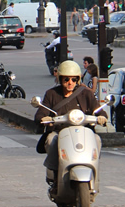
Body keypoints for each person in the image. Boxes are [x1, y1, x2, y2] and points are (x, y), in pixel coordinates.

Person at [35, 60, 107, 192]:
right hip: (60, 133)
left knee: (96, 139)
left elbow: (98, 110)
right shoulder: (52, 94)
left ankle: (93, 169)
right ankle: (54, 173)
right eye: (66, 79)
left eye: (74, 79)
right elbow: (40, 113)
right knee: (51, 140)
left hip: (83, 133)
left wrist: (102, 117)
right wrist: (44, 118)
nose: (70, 83)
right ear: (60, 79)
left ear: (78, 79)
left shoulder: (86, 93)